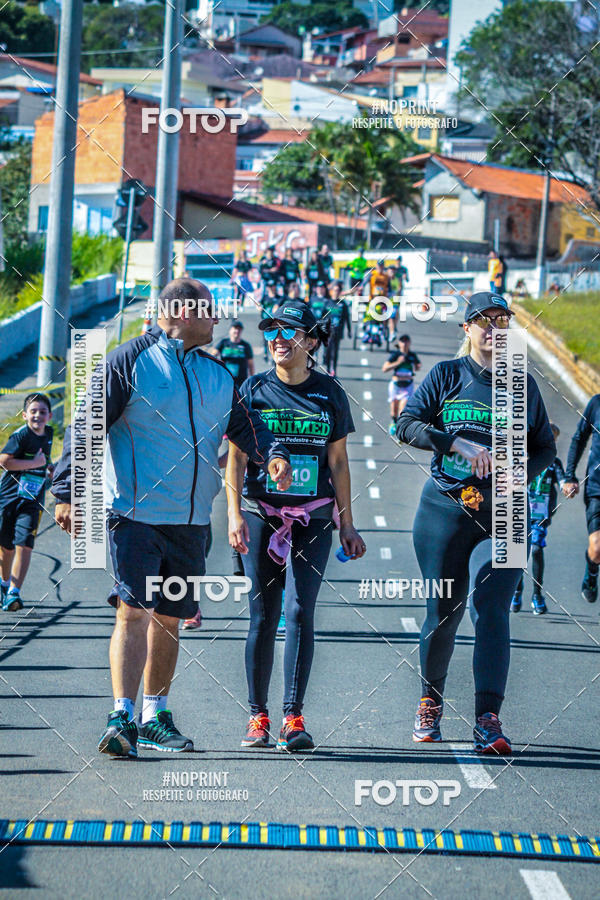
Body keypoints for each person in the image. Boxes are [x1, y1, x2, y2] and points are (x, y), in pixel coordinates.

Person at [52, 278, 292, 759]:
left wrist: (274, 455)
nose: (217, 319)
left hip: (192, 524)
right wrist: (66, 490)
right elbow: (87, 423)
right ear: (178, 312)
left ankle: (154, 716)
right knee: (134, 611)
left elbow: (248, 427)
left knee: (170, 618)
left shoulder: (218, 374)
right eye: (208, 311)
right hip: (135, 516)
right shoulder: (129, 361)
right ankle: (120, 715)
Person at [396, 291, 555, 754]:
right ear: (466, 329)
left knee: (493, 610)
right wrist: (456, 445)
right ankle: (430, 702)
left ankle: (488, 718)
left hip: (505, 511)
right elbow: (406, 424)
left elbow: (544, 447)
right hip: (445, 508)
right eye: (483, 321)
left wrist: (518, 471)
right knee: (444, 613)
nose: (493, 329)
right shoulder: (447, 375)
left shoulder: (523, 386)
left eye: (502, 321)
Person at [226, 300, 366, 751]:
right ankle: (257, 716)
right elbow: (236, 459)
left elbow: (339, 461)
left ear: (311, 341)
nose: (278, 339)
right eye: (271, 332)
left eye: (290, 332)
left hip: (315, 516)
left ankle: (293, 716)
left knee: (301, 612)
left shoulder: (330, 393)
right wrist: (233, 515)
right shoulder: (253, 390)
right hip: (262, 514)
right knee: (262, 617)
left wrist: (348, 523)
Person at [0, 393, 54, 611]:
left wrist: (47, 467)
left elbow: (44, 459)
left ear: (49, 415)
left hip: (33, 499)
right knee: (5, 545)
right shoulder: (20, 436)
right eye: (33, 411)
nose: (38, 416)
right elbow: (4, 462)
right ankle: (4, 583)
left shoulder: (49, 433)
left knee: (25, 543)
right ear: (24, 415)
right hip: (9, 497)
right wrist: (34, 464)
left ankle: (14, 592)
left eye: (42, 412)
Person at [511, 424, 564, 615]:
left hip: (540, 515)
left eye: (554, 440)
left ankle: (537, 594)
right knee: (517, 553)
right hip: (518, 512)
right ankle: (516, 591)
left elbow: (563, 479)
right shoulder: (521, 459)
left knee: (536, 550)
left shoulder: (553, 462)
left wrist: (568, 485)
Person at [562, 393, 600, 603]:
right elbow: (579, 438)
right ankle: (592, 573)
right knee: (597, 549)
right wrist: (569, 476)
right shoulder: (597, 403)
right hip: (597, 487)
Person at [382, 334, 421, 436]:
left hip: (408, 385)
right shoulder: (395, 355)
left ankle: (400, 429)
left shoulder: (412, 356)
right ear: (399, 343)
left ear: (409, 343)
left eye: (406, 341)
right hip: (396, 384)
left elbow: (417, 366)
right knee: (394, 408)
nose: (404, 344)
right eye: (402, 341)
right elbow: (384, 368)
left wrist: (416, 366)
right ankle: (393, 422)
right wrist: (398, 362)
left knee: (402, 409)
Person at [212, 319, 255, 389]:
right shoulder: (223, 343)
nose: (237, 331)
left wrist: (252, 379)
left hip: (241, 381)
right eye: (235, 328)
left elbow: (251, 364)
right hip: (225, 379)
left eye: (239, 329)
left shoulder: (245, 345)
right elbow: (213, 356)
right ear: (230, 330)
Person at [322, 281, 352, 377]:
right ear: (331, 291)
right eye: (334, 290)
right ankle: (327, 369)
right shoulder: (327, 303)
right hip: (327, 332)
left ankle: (334, 370)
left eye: (338, 290)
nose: (336, 292)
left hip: (337, 331)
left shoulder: (343, 304)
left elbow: (347, 318)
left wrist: (349, 331)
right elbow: (321, 317)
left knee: (334, 352)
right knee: (327, 351)